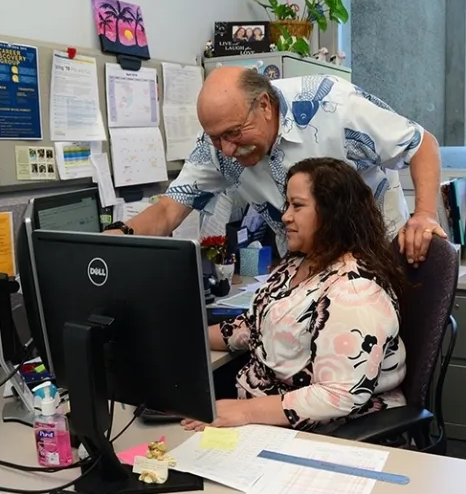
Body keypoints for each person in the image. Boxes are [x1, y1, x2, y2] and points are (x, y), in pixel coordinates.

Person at [105, 67, 446, 266]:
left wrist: (425, 213)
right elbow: (168, 211)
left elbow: (421, 143)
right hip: (305, 271)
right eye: (216, 138)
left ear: (265, 106)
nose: (227, 149)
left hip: (375, 259)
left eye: (234, 134)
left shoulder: (333, 106)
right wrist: (119, 238)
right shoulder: (219, 142)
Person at [181, 158, 407, 433]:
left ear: (333, 213)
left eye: (297, 206)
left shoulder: (355, 290)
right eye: (287, 204)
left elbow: (339, 394)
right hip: (261, 420)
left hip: (325, 434)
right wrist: (181, 340)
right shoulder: (299, 262)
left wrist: (244, 411)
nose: (286, 215)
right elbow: (252, 328)